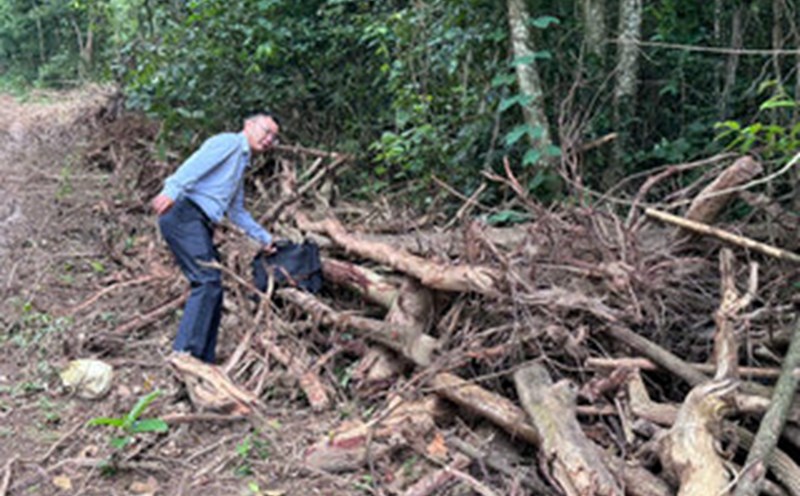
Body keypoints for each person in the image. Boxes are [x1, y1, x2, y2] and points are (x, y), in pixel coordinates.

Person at [152, 112, 280, 363]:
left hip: (198, 222)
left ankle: (203, 359)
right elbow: (195, 164)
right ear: (249, 124)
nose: (269, 140)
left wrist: (263, 238)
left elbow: (237, 212)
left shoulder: (241, 163)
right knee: (206, 281)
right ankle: (185, 355)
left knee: (214, 287)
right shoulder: (229, 143)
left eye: (273, 138)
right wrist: (171, 190)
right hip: (183, 214)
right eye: (266, 132)